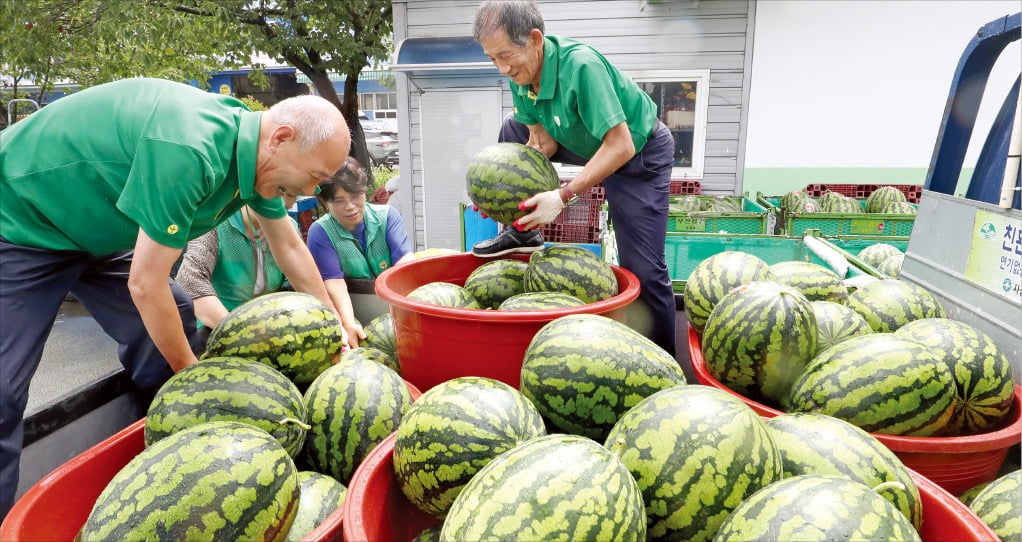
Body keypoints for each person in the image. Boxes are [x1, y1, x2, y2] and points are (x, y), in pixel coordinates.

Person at [0, 77, 351, 518]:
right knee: (3, 391)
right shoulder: (191, 150)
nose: (308, 192)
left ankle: (171, 459)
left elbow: (291, 247)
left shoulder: (257, 163)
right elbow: (144, 284)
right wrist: (197, 385)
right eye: (314, 176)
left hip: (99, 231)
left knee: (171, 324)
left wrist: (331, 323)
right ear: (281, 139)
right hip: (18, 220)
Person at [470, 0, 678, 357]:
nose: (502, 68)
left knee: (643, 267)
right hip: (585, 140)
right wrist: (506, 196)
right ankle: (522, 231)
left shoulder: (582, 67)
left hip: (637, 153)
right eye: (492, 59)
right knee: (511, 127)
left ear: (535, 39)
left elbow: (620, 146)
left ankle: (664, 362)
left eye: (505, 55)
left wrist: (561, 196)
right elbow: (540, 142)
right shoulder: (521, 75)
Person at [307, 158, 414, 348]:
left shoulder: (388, 217)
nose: (350, 206)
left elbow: (405, 264)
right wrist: (348, 323)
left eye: (356, 196)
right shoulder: (321, 232)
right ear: (325, 202)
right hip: (353, 314)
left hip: (395, 314)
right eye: (339, 201)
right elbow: (334, 282)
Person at [174, 196, 303, 352]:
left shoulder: (289, 228)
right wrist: (242, 336)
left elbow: (298, 282)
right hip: (217, 327)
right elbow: (190, 281)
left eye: (290, 196)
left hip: (269, 327)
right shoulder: (215, 224)